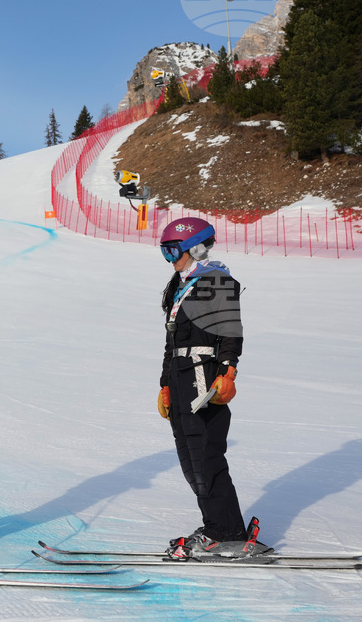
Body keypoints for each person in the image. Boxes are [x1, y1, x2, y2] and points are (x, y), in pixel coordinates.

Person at [156, 217, 270, 560]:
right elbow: (171, 341)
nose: (169, 259)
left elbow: (230, 331)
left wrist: (228, 370)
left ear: (195, 248)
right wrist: (165, 384)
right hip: (179, 376)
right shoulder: (179, 284)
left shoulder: (215, 281)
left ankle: (227, 533)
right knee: (190, 460)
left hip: (203, 375)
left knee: (205, 455)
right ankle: (216, 526)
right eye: (164, 252)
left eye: (173, 251)